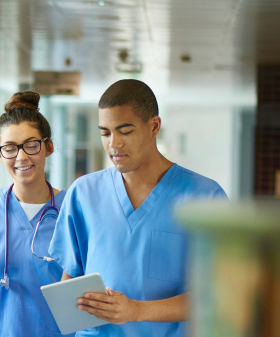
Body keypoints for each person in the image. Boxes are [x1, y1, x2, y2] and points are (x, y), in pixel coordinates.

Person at [48, 79, 228, 336]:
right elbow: (70, 285)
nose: (114, 144)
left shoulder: (205, 197)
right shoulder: (83, 193)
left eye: (125, 131)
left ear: (154, 126)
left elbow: (217, 296)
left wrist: (135, 311)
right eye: (105, 132)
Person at [0, 91, 74, 337]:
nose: (21, 157)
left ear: (48, 146)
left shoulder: (71, 212)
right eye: (10, 148)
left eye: (31, 145)